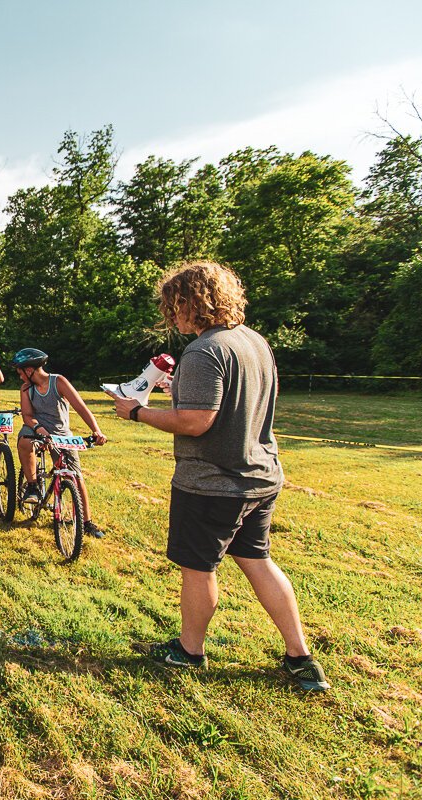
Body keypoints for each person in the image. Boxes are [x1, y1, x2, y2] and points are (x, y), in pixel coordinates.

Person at [107, 261, 330, 691]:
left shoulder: (204, 350)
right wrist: (183, 392)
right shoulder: (254, 341)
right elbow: (234, 400)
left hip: (213, 482)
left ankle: (189, 651)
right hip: (261, 475)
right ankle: (300, 658)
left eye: (175, 307)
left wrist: (137, 412)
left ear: (193, 303)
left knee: (198, 567)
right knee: (258, 560)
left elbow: (195, 422)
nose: (172, 317)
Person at [12, 348, 107, 538]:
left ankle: (86, 522)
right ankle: (32, 486)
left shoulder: (58, 382)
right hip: (36, 429)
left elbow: (80, 406)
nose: (19, 374)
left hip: (61, 433)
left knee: (76, 476)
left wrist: (96, 430)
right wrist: (42, 432)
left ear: (29, 370)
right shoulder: (25, 389)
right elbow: (28, 417)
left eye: (20, 371)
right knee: (24, 441)